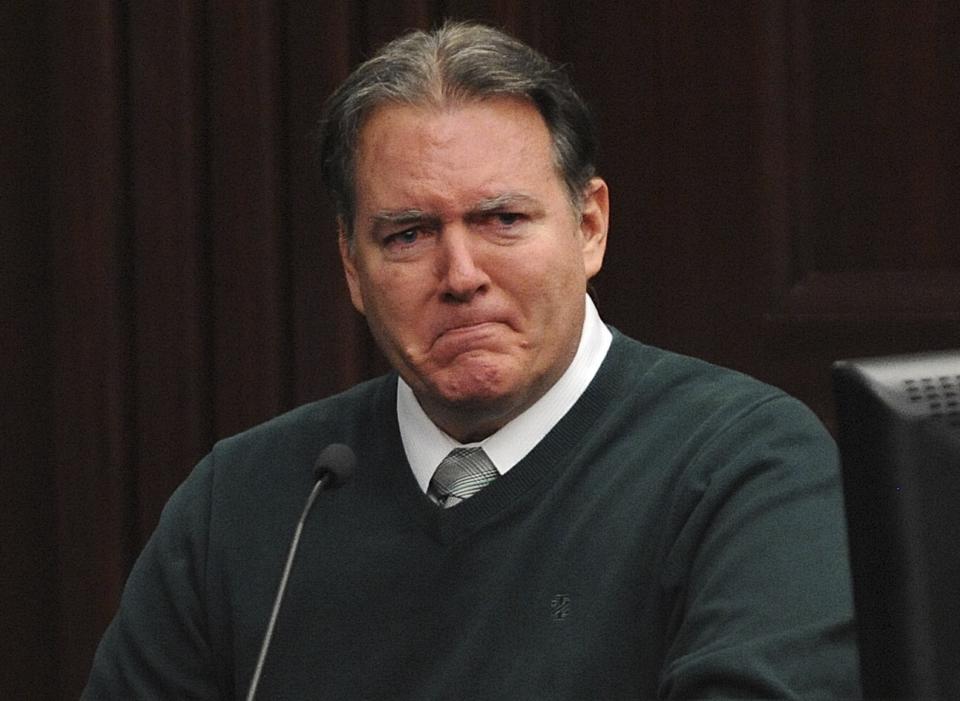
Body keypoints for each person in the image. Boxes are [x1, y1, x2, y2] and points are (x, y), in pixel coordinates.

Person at [84, 21, 860, 699]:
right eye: (409, 234)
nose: (461, 275)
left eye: (502, 218)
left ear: (589, 226)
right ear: (354, 268)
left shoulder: (746, 468)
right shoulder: (253, 503)